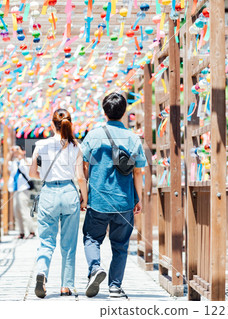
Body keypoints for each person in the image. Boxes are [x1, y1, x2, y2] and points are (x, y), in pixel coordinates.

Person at [81, 92, 147, 298]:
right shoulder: (133, 138)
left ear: (104, 111)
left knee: (91, 238)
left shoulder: (93, 135)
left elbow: (82, 165)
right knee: (120, 245)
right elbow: (138, 171)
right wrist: (138, 198)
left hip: (98, 200)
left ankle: (95, 269)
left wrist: (85, 191)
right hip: (124, 201)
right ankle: (115, 286)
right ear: (124, 112)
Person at [29, 109, 88, 298]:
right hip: (69, 193)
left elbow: (32, 173)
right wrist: (84, 198)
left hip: (48, 194)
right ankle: (66, 286)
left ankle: (42, 272)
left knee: (46, 241)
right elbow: (80, 177)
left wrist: (44, 176)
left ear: (51, 125)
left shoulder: (40, 144)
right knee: (69, 244)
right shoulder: (76, 146)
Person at [7, 145, 35, 239]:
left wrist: (20, 154)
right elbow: (7, 167)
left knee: (24, 211)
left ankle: (31, 231)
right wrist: (10, 153)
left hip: (24, 189)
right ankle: (21, 232)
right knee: (17, 212)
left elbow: (29, 169)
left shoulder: (26, 160)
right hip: (16, 189)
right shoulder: (14, 162)